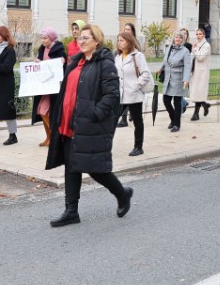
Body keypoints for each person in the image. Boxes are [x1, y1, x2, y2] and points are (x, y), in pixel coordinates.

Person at [45, 24, 133, 227]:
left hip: (89, 125)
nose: (81, 41)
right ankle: (71, 211)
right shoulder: (75, 63)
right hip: (69, 123)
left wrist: (93, 114)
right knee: (71, 166)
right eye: (80, 38)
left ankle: (122, 194)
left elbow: (112, 96)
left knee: (96, 169)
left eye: (86, 38)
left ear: (97, 40)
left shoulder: (105, 63)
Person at [114, 31, 151, 157]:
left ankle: (138, 147)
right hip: (120, 95)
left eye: (122, 40)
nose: (119, 42)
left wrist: (135, 86)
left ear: (129, 42)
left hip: (134, 95)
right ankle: (105, 146)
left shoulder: (138, 56)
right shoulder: (118, 57)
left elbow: (145, 74)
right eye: (118, 40)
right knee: (112, 120)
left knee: (137, 121)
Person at [31, 27, 66, 147]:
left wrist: (62, 62)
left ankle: (55, 136)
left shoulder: (59, 49)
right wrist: (37, 61)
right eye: (41, 38)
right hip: (43, 86)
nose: (43, 40)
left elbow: (63, 66)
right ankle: (49, 137)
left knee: (45, 111)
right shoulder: (42, 48)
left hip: (54, 87)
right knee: (40, 110)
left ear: (51, 38)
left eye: (45, 38)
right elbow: (41, 61)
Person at [161, 31, 191, 132]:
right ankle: (173, 119)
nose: (178, 39)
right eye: (176, 37)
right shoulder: (169, 48)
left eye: (180, 38)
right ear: (174, 38)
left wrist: (186, 79)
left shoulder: (185, 51)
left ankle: (176, 124)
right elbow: (165, 60)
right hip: (168, 78)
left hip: (178, 79)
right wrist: (160, 68)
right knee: (166, 100)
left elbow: (187, 67)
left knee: (177, 102)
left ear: (182, 40)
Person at [117, 22, 139, 128]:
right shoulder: (121, 42)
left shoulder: (135, 43)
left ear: (132, 31)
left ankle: (125, 118)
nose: (126, 31)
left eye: (128, 29)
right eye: (125, 29)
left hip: (132, 76)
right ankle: (126, 117)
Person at [189, 29, 212, 121]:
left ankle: (196, 114)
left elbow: (200, 57)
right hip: (195, 71)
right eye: (197, 34)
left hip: (202, 72)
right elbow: (192, 56)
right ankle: (205, 105)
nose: (198, 36)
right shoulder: (197, 44)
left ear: (204, 35)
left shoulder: (206, 45)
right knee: (196, 93)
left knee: (198, 93)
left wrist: (194, 49)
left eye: (200, 34)